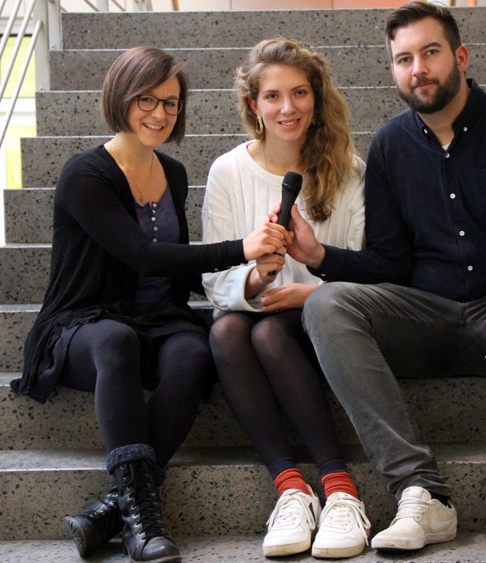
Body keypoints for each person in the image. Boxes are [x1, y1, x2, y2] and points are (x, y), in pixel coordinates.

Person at [281, 1, 486, 556]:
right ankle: (420, 490)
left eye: (430, 53)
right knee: (325, 304)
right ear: (393, 71)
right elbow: (389, 264)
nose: (418, 69)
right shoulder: (390, 147)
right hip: (425, 319)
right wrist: (320, 256)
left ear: (460, 56)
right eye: (403, 59)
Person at [13, 47, 289, 563]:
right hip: (85, 324)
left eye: (171, 103)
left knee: (195, 353)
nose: (161, 114)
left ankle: (112, 509)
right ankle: (142, 514)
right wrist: (241, 247)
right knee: (115, 339)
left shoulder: (174, 173)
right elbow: (142, 255)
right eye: (147, 100)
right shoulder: (85, 175)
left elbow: (180, 269)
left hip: (159, 322)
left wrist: (254, 276)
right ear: (121, 97)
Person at [201, 38, 370, 559]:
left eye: (299, 93)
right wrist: (255, 280)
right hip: (253, 321)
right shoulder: (227, 171)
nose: (287, 108)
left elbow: (366, 269)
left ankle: (341, 491)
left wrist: (309, 292)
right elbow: (213, 282)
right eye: (272, 96)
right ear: (253, 105)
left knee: (271, 332)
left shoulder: (349, 171)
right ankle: (291, 490)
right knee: (227, 328)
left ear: (316, 99)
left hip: (326, 324)